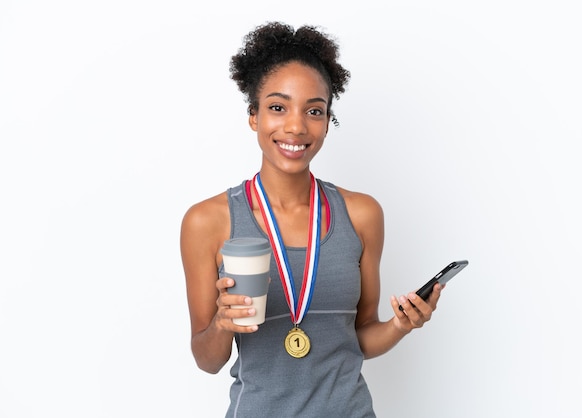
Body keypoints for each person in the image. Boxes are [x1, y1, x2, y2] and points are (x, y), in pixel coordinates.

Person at [180, 21, 444, 417]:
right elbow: (207, 359)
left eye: (314, 111)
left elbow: (361, 336)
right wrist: (221, 323)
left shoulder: (361, 214)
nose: (296, 126)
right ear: (253, 116)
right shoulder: (208, 221)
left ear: (327, 120)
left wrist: (401, 325)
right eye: (277, 107)